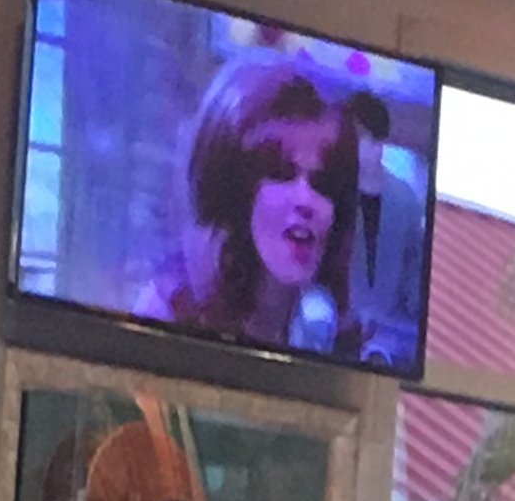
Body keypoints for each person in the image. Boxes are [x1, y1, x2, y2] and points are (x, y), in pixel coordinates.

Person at [136, 58, 359, 353]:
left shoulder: (328, 329)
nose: (306, 200)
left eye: (323, 183)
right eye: (280, 172)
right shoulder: (169, 311)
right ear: (233, 188)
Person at [345, 90, 426, 367]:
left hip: (386, 331)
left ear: (380, 140)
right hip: (335, 321)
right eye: (353, 138)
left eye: (366, 138)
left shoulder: (405, 199)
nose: (359, 147)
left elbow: (414, 269)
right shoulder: (333, 191)